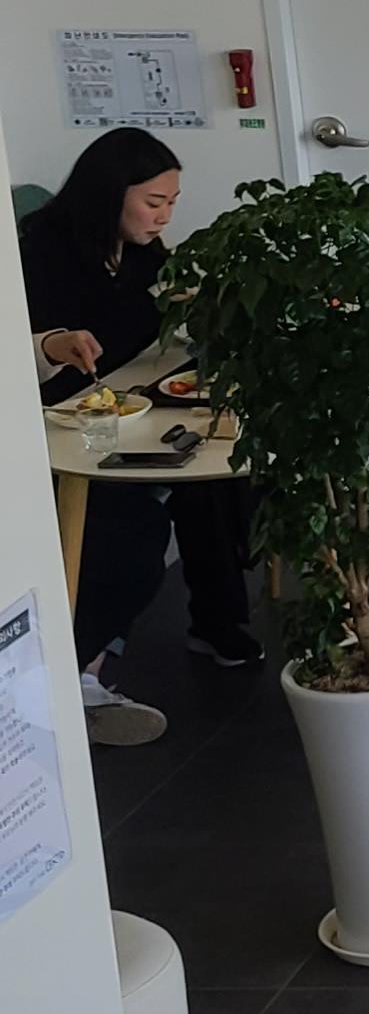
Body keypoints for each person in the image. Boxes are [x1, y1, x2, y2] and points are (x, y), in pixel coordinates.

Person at [19, 129, 259, 746]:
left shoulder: (138, 248)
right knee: (132, 527)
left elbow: (156, 317)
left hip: (129, 403)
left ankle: (216, 624)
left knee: (216, 477)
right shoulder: (40, 247)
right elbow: (22, 344)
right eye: (154, 202)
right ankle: (73, 677)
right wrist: (53, 344)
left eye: (171, 202)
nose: (165, 216)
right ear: (110, 193)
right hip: (62, 424)